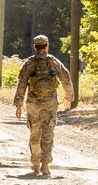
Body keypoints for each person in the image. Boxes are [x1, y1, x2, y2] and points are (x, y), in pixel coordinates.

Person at [13, 35, 73, 176]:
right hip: (50, 103)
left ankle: (35, 162)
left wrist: (19, 104)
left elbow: (21, 84)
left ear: (35, 47)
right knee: (48, 132)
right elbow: (66, 78)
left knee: (35, 132)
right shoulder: (54, 62)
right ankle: (45, 164)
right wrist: (68, 97)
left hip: (33, 103)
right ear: (47, 46)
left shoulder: (29, 63)